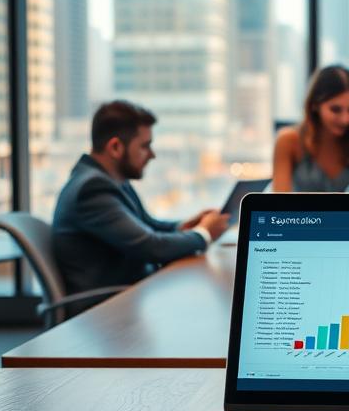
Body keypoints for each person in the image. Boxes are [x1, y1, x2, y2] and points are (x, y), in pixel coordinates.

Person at [52, 100, 230, 295]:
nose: (152, 155)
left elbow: (148, 225)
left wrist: (185, 226)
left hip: (131, 293)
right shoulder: (91, 189)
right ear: (115, 147)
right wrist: (204, 233)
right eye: (145, 146)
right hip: (108, 305)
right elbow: (151, 246)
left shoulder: (112, 180)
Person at [272, 65, 349, 192]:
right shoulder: (288, 140)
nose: (345, 119)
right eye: (335, 109)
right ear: (314, 105)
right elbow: (279, 199)